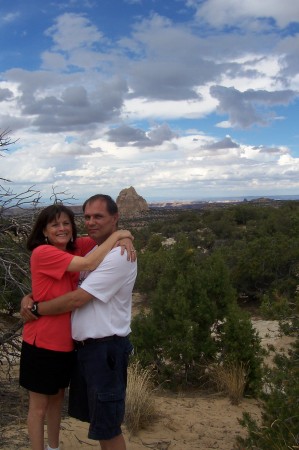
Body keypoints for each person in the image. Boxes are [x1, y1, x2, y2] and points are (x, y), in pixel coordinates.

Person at [21, 194, 138, 450]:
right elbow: (84, 265)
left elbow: (76, 298)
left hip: (88, 347)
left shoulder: (93, 250)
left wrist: (123, 234)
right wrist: (30, 297)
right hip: (50, 343)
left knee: (99, 422)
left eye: (66, 223)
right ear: (44, 230)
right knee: (44, 407)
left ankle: (53, 448)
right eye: (87, 217)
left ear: (114, 218)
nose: (62, 228)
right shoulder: (50, 252)